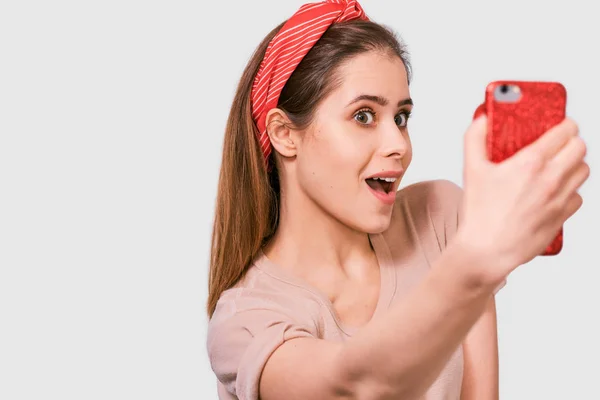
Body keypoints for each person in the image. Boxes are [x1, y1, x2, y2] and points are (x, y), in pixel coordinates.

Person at [205, 1, 589, 399]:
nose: (399, 146)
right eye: (364, 116)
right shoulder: (245, 319)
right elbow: (355, 387)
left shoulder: (439, 217)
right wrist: (472, 266)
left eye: (401, 118)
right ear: (285, 134)